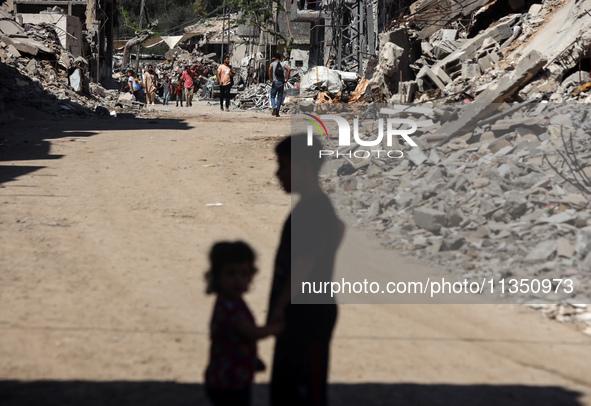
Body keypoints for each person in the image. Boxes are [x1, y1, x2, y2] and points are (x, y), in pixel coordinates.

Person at [268, 134, 344, 406]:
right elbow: (338, 229)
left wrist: (279, 306)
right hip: (308, 312)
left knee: (302, 391)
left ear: (303, 167)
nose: (278, 173)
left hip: (306, 315)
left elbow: (305, 264)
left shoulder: (311, 210)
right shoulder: (318, 207)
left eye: (282, 165)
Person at [205, 241, 283, 406]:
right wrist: (276, 328)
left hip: (232, 378)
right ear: (217, 276)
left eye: (244, 274)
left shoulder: (234, 302)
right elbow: (252, 332)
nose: (238, 280)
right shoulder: (229, 307)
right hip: (227, 382)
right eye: (230, 273)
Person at [268, 53, 291, 118]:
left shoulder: (272, 64)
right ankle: (277, 113)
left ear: (275, 58)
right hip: (281, 82)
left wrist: (270, 79)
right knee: (279, 97)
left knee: (272, 96)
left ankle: (273, 106)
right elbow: (289, 70)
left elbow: (269, 70)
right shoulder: (283, 64)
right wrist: (287, 79)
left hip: (275, 82)